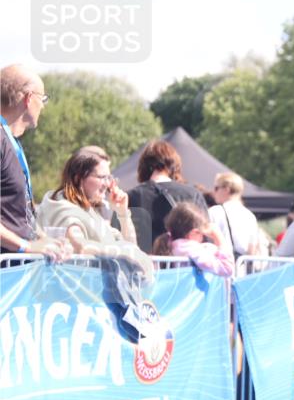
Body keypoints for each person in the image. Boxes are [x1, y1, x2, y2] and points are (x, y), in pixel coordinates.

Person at [37, 145, 152, 277]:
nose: (107, 184)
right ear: (78, 178)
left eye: (109, 178)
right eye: (102, 177)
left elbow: (132, 247)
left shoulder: (90, 212)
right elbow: (80, 247)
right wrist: (123, 252)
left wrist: (123, 213)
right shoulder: (62, 208)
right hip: (70, 291)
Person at [0, 64, 67, 258]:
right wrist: (25, 246)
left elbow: (15, 216)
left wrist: (44, 241)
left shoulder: (10, 141)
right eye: (42, 98)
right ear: (29, 98)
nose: (44, 105)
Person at [127, 140, 208, 253]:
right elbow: (206, 234)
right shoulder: (193, 194)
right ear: (174, 165)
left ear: (143, 167)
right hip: (184, 266)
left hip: (144, 265)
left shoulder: (131, 196)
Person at [153, 202, 234, 277]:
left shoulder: (170, 244)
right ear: (194, 233)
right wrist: (218, 236)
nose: (203, 238)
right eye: (202, 234)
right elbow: (227, 269)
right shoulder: (191, 249)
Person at [208, 172, 260, 260]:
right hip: (242, 268)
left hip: (220, 266)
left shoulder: (214, 211)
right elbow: (252, 250)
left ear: (227, 189)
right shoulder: (250, 216)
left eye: (216, 188)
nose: (213, 192)